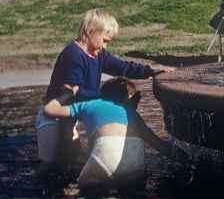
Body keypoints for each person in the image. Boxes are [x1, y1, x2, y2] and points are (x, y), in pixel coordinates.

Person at [36, 8, 168, 166]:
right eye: (104, 40)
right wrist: (104, 100)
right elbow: (73, 93)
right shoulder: (73, 55)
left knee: (73, 157)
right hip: (54, 115)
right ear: (91, 31)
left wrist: (151, 71)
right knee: (53, 162)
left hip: (72, 112)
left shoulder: (98, 54)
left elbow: (123, 67)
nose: (105, 46)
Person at [43, 77, 174, 190]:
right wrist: (180, 156)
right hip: (135, 161)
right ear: (128, 98)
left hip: (104, 157)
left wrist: (67, 94)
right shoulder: (133, 114)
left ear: (103, 94)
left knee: (87, 190)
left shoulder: (91, 104)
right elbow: (159, 145)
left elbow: (49, 110)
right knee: (133, 194)